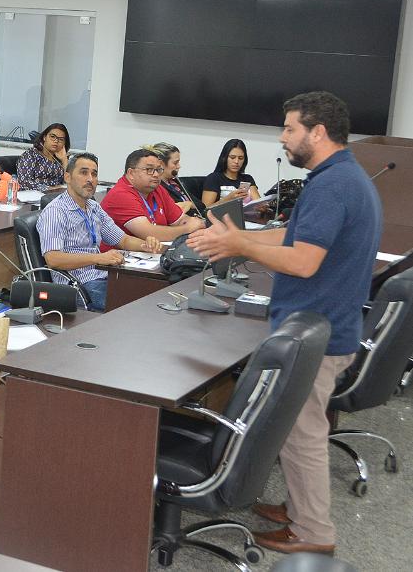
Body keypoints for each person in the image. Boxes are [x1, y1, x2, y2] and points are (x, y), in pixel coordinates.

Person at [188, 91, 380, 557]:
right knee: (299, 429)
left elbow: (303, 260)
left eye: (290, 128)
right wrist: (241, 235)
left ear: (317, 132)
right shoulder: (340, 177)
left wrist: (239, 248)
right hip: (325, 326)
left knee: (302, 433)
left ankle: (314, 532)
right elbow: (295, 235)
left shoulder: (334, 185)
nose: (282, 137)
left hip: (319, 332)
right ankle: (300, 508)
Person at [37, 153, 162, 311]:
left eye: (94, 174)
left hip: (104, 276)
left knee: (150, 295)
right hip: (79, 286)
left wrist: (145, 245)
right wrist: (99, 258)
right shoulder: (56, 212)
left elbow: (122, 240)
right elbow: (53, 259)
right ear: (67, 177)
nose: (90, 179)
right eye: (84, 173)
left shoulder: (94, 207)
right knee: (136, 309)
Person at [100, 148, 205, 245]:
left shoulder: (157, 189)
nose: (155, 174)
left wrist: (192, 223)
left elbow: (180, 220)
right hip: (119, 259)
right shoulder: (121, 194)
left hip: (150, 255)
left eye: (159, 170)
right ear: (131, 173)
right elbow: (148, 233)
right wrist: (186, 229)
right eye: (149, 170)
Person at [202, 138, 261, 207]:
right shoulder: (214, 178)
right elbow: (205, 209)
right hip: (221, 216)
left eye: (240, 158)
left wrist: (262, 206)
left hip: (247, 216)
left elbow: (258, 203)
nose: (236, 162)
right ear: (224, 158)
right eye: (232, 157)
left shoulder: (247, 178)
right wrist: (228, 199)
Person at [148, 142, 199, 214]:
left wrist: (189, 204)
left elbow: (201, 205)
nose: (179, 166)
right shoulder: (157, 187)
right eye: (175, 163)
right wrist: (189, 204)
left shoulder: (175, 183)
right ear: (161, 164)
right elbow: (174, 210)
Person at [15, 123, 70, 191]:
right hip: (34, 197)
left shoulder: (60, 159)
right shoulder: (31, 155)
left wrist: (64, 160)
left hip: (57, 196)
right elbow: (23, 182)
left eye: (61, 139)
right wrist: (49, 188)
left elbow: (71, 182)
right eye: (52, 136)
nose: (56, 141)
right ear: (44, 137)